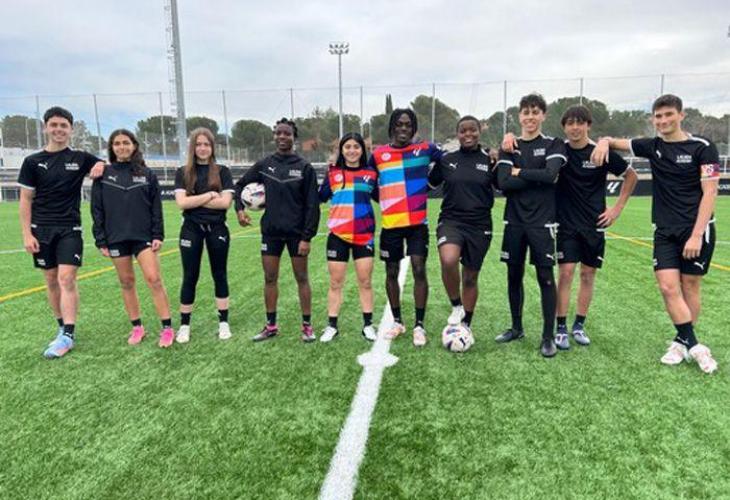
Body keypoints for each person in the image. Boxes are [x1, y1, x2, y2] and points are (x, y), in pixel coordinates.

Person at [591, 94, 720, 374]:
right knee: (667, 287)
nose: (662, 121)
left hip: (696, 230)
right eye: (658, 116)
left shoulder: (703, 147)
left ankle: (680, 343)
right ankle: (694, 345)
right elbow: (615, 142)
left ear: (681, 115)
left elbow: (710, 192)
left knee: (690, 286)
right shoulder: (652, 146)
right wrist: (603, 141)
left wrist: (696, 234)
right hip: (664, 230)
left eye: (668, 115)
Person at [17, 106, 105, 358]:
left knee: (66, 278)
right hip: (41, 230)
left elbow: (102, 163)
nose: (58, 129)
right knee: (51, 279)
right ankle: (60, 327)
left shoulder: (80, 158)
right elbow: (25, 199)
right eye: (54, 125)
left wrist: (100, 164)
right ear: (46, 127)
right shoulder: (32, 162)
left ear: (71, 130)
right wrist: (27, 234)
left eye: (63, 125)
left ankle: (68, 334)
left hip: (70, 228)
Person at [553, 105, 637, 349]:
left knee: (588, 274)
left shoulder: (600, 152)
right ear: (564, 127)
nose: (575, 128)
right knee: (566, 273)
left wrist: (617, 209)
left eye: (580, 123)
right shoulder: (559, 151)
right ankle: (561, 328)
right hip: (566, 223)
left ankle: (579, 325)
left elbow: (631, 176)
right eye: (570, 123)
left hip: (594, 224)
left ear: (588, 125)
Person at [235, 118, 320, 342]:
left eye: (287, 133)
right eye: (278, 133)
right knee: (270, 277)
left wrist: (307, 237)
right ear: (274, 136)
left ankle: (307, 326)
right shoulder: (265, 164)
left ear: (294, 137)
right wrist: (239, 210)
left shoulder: (304, 167)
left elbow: (312, 205)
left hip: (297, 235)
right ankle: (271, 326)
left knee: (302, 277)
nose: (282, 137)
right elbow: (239, 185)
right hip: (271, 232)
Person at [496, 94, 566, 358]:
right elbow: (503, 182)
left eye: (535, 112)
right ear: (519, 116)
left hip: (542, 222)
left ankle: (548, 337)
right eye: (526, 112)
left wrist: (519, 172)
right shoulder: (509, 146)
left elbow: (551, 175)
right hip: (514, 221)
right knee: (513, 275)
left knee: (545, 277)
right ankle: (516, 328)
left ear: (543, 115)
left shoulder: (553, 143)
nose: (530, 117)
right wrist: (535, 177)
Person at [91, 129, 174, 347]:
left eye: (126, 142)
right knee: (126, 282)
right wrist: (100, 239)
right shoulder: (103, 174)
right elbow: (97, 209)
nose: (122, 147)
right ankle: (137, 327)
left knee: (154, 279)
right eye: (117, 143)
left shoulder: (147, 174)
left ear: (134, 145)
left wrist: (158, 234)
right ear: (112, 148)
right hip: (116, 237)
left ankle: (167, 328)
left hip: (143, 236)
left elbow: (156, 207)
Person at [369, 108, 442, 346]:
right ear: (392, 127)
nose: (403, 128)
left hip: (417, 224)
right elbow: (367, 180)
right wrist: (386, 199)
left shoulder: (426, 149)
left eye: (408, 125)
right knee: (391, 272)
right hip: (391, 224)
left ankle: (419, 325)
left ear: (414, 128)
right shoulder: (378, 155)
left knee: (419, 269)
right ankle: (398, 321)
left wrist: (429, 185)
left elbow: (448, 162)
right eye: (399, 124)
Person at [428, 116, 496, 333]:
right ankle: (457, 306)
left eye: (472, 130)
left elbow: (504, 182)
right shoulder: (447, 160)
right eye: (463, 131)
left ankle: (466, 324)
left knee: (470, 277)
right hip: (451, 220)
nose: (468, 134)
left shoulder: (490, 160)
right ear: (457, 134)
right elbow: (428, 183)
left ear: (479, 131)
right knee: (448, 260)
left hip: (480, 224)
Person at [173, 128, 235, 343]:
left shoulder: (223, 171)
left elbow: (225, 203)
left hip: (217, 228)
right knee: (190, 276)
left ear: (212, 147)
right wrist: (209, 195)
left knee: (220, 274)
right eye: (198, 144)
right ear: (193, 147)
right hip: (191, 229)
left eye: (206, 144)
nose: (202, 148)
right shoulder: (183, 172)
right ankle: (184, 325)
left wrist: (194, 200)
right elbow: (182, 203)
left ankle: (224, 323)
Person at [318, 132, 378, 342]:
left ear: (362, 150)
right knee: (335, 282)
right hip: (338, 236)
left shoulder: (371, 174)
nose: (352, 151)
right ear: (341, 150)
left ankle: (368, 325)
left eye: (356, 147)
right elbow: (320, 197)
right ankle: (332, 326)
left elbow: (383, 197)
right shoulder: (333, 173)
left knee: (365, 282)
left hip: (364, 235)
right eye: (347, 147)